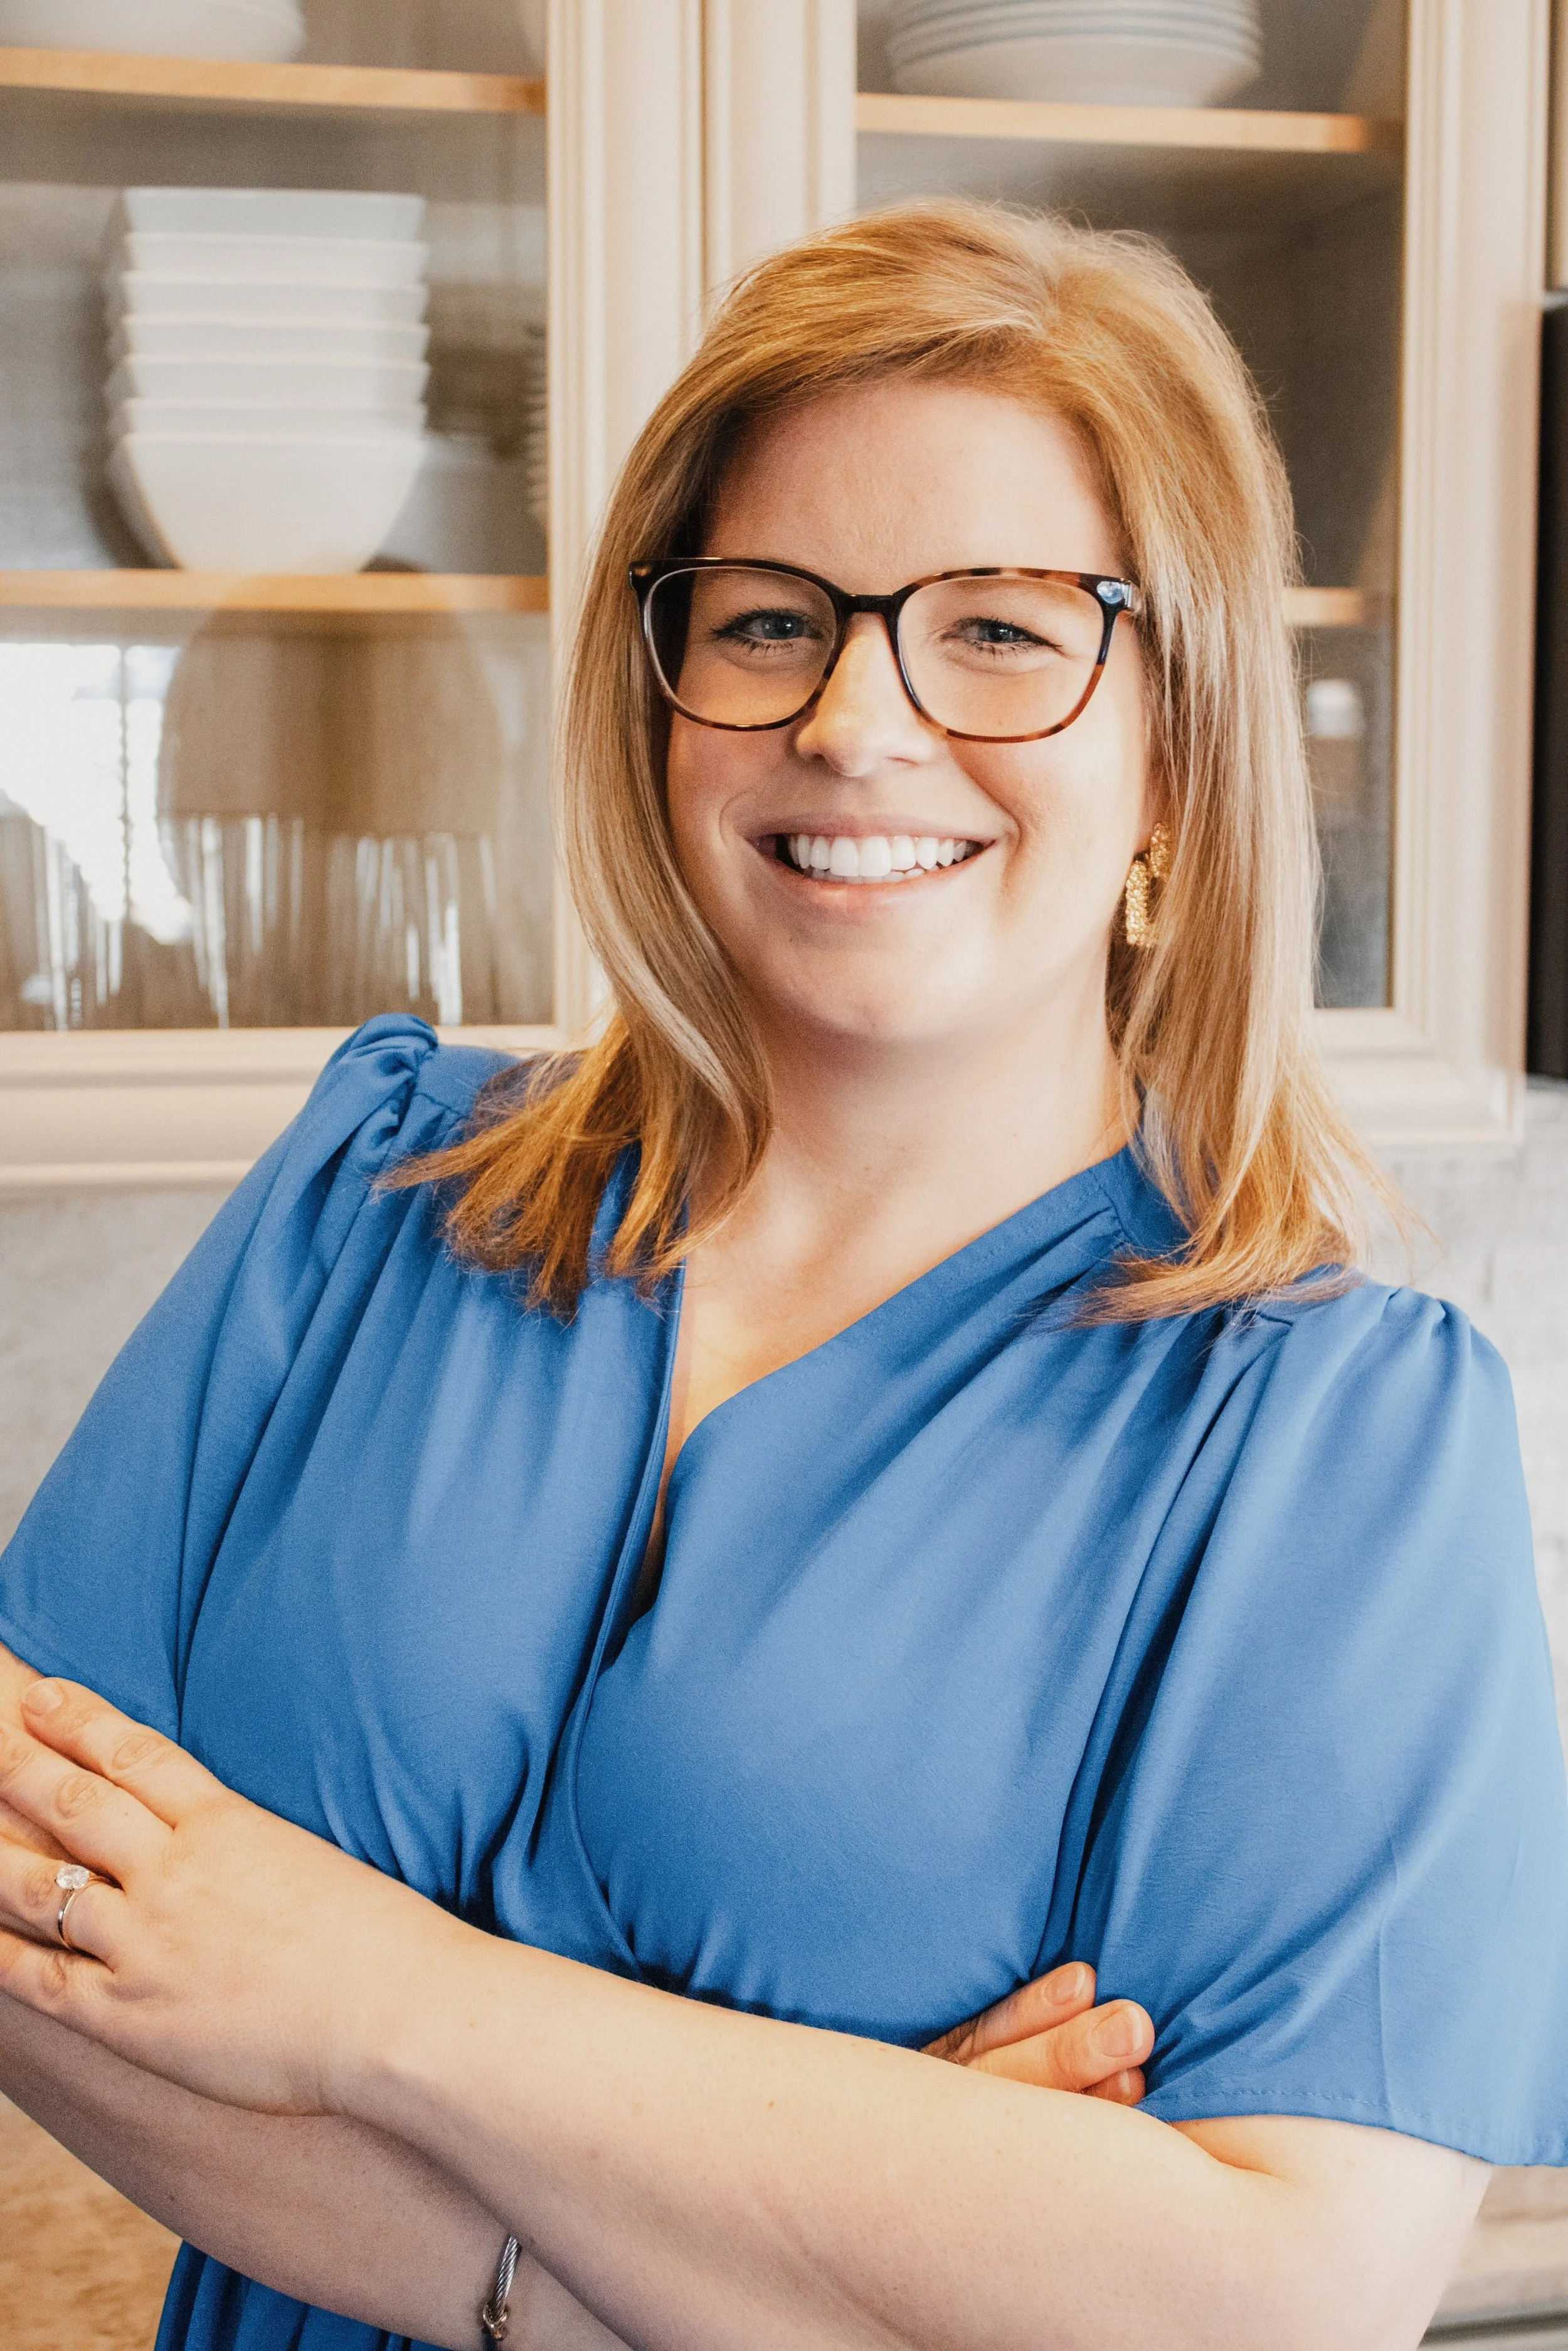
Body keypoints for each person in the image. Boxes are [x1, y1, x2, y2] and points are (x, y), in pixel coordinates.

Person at [0, 200, 1565, 2351]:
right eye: (765, 622)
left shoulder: (1324, 1442)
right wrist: (791, 2224)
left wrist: (373, 1995)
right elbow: (20, 1909)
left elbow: (1271, 2295)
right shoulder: (375, 1193)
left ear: (1176, 764)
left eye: (1001, 631)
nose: (853, 718)